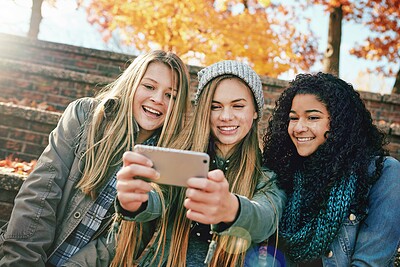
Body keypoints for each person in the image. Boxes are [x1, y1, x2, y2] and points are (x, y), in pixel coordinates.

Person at [0, 50, 191, 266]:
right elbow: (40, 193)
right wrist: (23, 261)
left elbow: (122, 241)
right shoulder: (86, 116)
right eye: (149, 86)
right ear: (132, 84)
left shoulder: (170, 159)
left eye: (171, 95)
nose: (158, 99)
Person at [111, 60, 286, 267]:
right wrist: (135, 203)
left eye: (238, 106)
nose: (226, 116)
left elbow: (265, 219)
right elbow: (160, 197)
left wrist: (232, 209)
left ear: (256, 111)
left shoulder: (267, 175)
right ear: (203, 110)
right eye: (215, 107)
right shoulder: (182, 156)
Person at [262, 72, 400, 266]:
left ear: (340, 122)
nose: (299, 127)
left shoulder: (382, 173)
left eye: (312, 117)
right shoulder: (287, 172)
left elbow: (370, 262)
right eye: (293, 118)